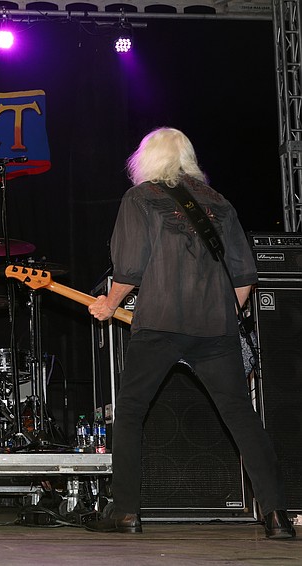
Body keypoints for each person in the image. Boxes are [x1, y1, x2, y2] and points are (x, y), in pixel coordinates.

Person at [87, 127, 294, 539]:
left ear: (146, 160)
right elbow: (245, 273)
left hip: (161, 322)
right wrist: (223, 311)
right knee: (240, 414)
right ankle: (276, 516)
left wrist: (108, 305)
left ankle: (125, 512)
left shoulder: (140, 197)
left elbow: (129, 264)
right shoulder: (220, 202)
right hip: (215, 329)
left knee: (130, 413)